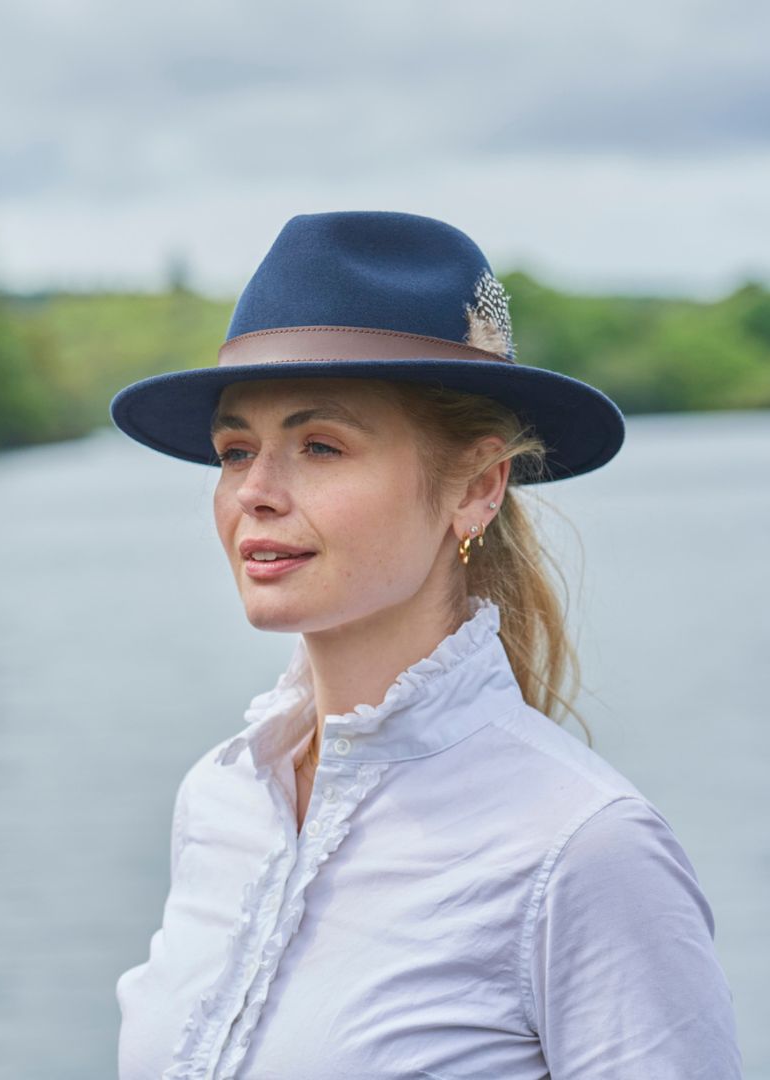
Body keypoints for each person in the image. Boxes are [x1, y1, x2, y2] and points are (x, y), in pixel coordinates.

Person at [109, 211, 742, 1079]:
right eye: (234, 449)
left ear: (478, 487)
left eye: (320, 445)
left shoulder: (584, 851)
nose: (255, 491)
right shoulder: (221, 804)